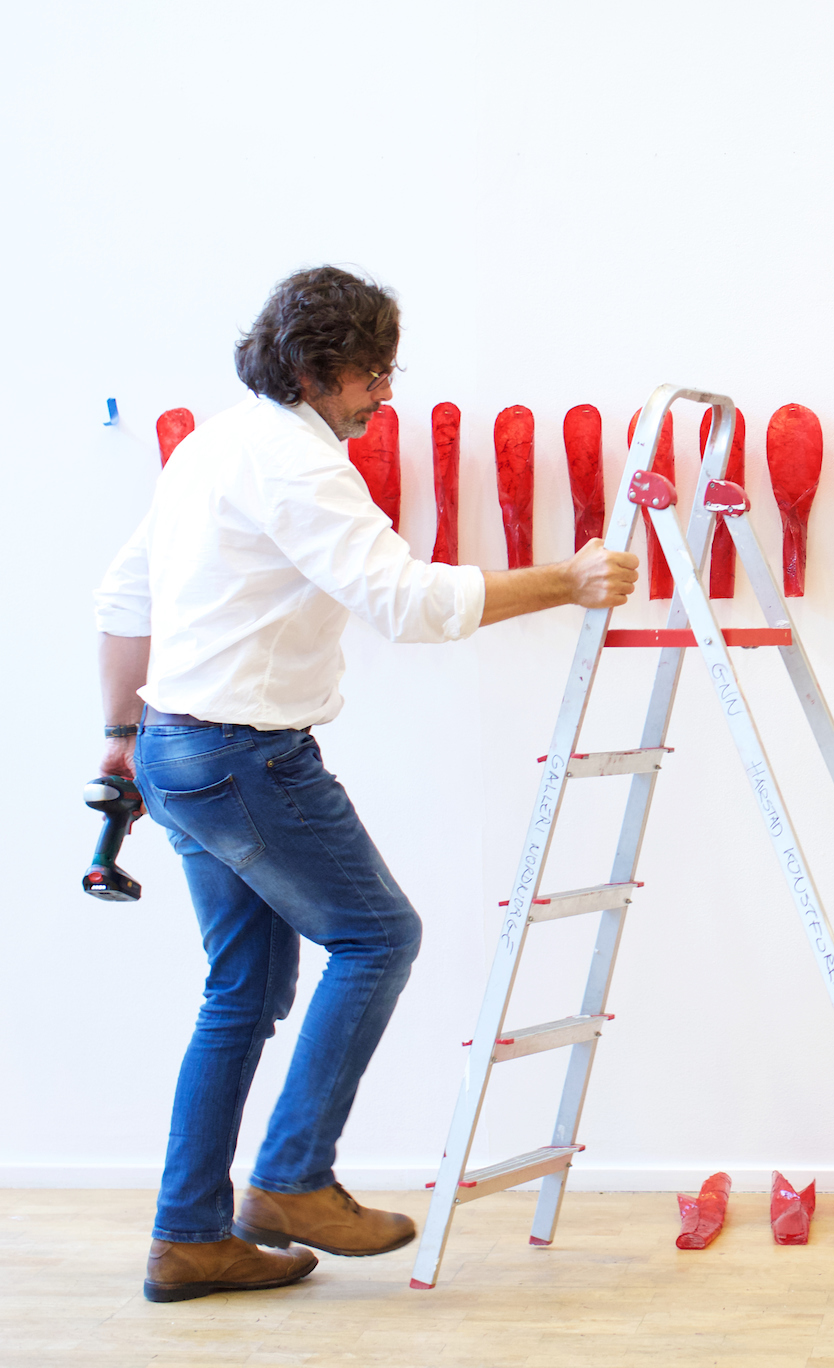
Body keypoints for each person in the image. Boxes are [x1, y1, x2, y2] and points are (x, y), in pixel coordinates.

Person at [93, 267, 637, 1303]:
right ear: (312, 370)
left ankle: (188, 1236)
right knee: (379, 935)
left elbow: (123, 593)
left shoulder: (212, 444)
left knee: (241, 994)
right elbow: (404, 601)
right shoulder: (299, 464)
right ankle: (292, 1180)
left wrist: (121, 738)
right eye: (369, 374)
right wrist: (562, 582)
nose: (383, 395)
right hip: (245, 754)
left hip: (176, 747)